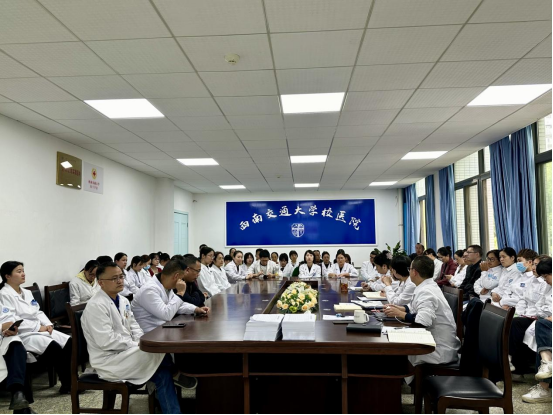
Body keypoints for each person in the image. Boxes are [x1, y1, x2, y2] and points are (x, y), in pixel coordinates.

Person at [81, 262, 192, 414]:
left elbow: (135, 326)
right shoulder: (96, 306)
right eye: (114, 278)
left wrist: (140, 341)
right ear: (100, 283)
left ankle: (173, 386)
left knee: (161, 372)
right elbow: (106, 341)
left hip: (126, 352)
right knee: (159, 355)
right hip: (109, 360)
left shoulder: (123, 300)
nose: (120, 281)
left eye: (121, 276)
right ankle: (176, 373)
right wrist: (136, 345)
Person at [0, 261, 71, 395]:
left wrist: (48, 324)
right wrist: (38, 327)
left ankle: (71, 381)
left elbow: (37, 312)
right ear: (7, 276)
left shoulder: (27, 292)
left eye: (23, 270)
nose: (23, 274)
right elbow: (12, 321)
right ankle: (68, 384)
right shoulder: (4, 294)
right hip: (23, 334)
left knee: (68, 342)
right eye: (19, 271)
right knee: (54, 347)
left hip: (38, 329)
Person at [384, 256, 460, 370]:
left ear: (414, 272)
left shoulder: (427, 291)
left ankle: (403, 380)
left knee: (394, 354)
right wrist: (400, 308)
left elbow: (423, 321)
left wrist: (400, 314)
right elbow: (414, 307)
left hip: (437, 349)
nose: (409, 271)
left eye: (409, 269)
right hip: (433, 341)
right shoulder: (427, 285)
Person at [132, 259, 209, 334]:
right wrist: (180, 293)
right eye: (181, 279)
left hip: (163, 329)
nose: (182, 282)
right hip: (150, 334)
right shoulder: (149, 290)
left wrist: (195, 309)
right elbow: (166, 314)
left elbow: (177, 305)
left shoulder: (166, 287)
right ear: (176, 276)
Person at [522, 258, 552, 403]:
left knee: (542, 327)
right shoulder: (548, 287)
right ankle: (547, 364)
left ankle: (544, 387)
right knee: (541, 330)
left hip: (547, 322)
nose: (545, 280)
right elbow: (539, 306)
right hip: (546, 321)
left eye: (546, 276)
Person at [0, 302, 34, 414]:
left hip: (2, 338)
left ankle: (18, 396)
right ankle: (22, 407)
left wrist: (10, 327)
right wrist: (1, 327)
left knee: (16, 344)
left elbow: (6, 315)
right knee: (15, 359)